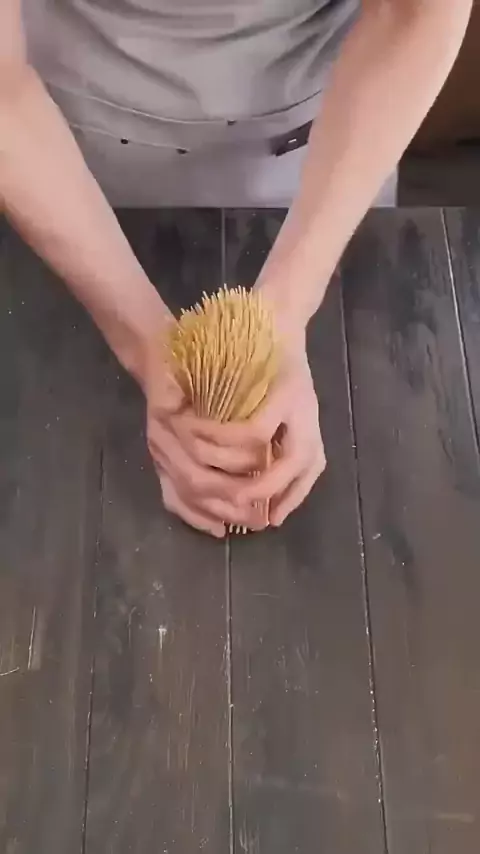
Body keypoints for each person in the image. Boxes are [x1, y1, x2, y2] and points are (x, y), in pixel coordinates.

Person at [1, 0, 473, 537]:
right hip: (58, 167)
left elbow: (413, 14)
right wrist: (145, 342)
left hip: (327, 156)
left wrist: (286, 308)